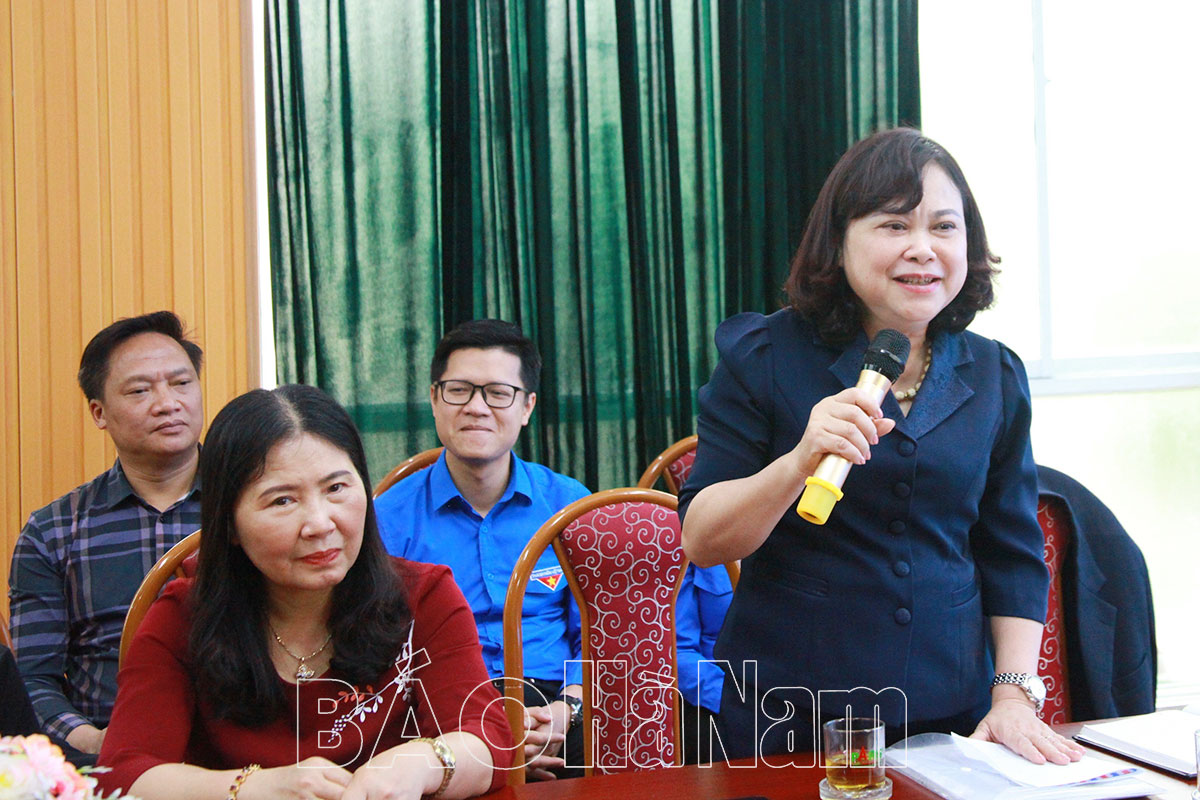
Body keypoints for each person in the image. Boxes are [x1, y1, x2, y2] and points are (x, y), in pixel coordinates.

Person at [679, 128, 1085, 766]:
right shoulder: (763, 356)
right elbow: (704, 539)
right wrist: (798, 461)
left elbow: (1011, 552)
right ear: (838, 241)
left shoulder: (994, 374)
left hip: (951, 707)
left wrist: (1011, 696)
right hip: (794, 712)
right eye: (894, 225)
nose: (923, 248)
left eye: (944, 227)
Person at [96, 384, 512, 799]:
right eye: (282, 501)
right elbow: (121, 775)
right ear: (229, 524)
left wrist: (422, 764)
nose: (320, 524)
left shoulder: (423, 596)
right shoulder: (182, 618)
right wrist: (251, 788)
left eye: (336, 489)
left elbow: (489, 742)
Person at [374, 320, 589, 780]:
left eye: (498, 393)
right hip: (439, 703)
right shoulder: (387, 518)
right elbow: (377, 649)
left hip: (554, 703)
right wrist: (486, 740)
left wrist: (566, 710)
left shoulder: (570, 505)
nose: (476, 407)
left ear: (527, 407)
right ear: (435, 399)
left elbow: (595, 631)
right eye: (459, 391)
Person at [8, 311, 204, 756]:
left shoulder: (254, 507)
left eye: (181, 383)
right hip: (107, 757)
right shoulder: (52, 532)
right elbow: (32, 683)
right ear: (99, 413)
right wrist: (100, 742)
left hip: (244, 751)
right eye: (140, 390)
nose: (167, 403)